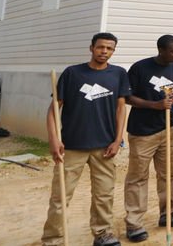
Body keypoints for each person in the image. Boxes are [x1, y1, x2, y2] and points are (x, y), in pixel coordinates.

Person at [42, 33, 131, 246]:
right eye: (100, 47)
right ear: (91, 48)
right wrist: (54, 139)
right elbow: (54, 110)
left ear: (113, 51)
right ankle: (53, 239)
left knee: (104, 194)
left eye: (109, 49)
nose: (104, 52)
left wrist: (118, 140)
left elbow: (121, 109)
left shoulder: (118, 74)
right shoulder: (73, 73)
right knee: (60, 197)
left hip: (105, 146)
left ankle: (102, 234)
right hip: (72, 146)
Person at [123, 35, 173, 241]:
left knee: (168, 174)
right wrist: (155, 105)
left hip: (168, 128)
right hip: (142, 131)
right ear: (160, 50)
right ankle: (134, 224)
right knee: (138, 177)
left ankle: (168, 214)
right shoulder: (140, 68)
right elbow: (127, 97)